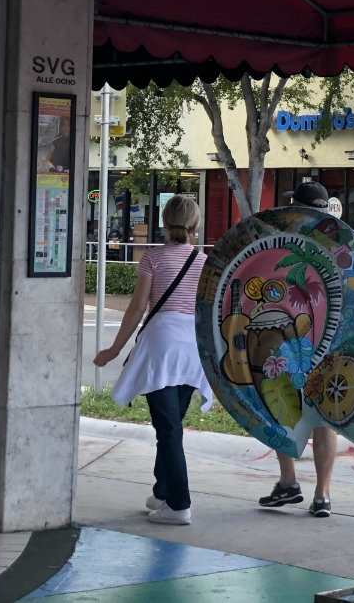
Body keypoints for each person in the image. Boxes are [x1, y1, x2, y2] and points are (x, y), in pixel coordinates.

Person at [93, 195, 211, 525]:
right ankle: (162, 492)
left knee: (168, 431)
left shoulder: (152, 258)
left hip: (161, 348)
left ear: (163, 221)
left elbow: (137, 307)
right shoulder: (204, 262)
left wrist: (114, 349)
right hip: (193, 353)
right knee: (172, 428)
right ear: (196, 224)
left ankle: (180, 505)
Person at [259, 179, 337, 517]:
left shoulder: (285, 239)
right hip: (331, 340)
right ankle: (322, 495)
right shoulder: (341, 240)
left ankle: (289, 480)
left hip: (289, 338)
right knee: (324, 418)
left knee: (278, 405)